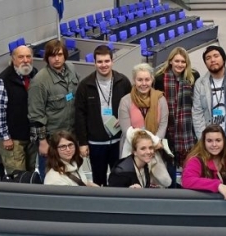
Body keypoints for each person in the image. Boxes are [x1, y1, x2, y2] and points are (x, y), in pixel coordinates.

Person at [75, 45, 131, 186]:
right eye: (100, 62)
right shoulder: (85, 85)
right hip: (96, 143)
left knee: (119, 178)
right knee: (98, 180)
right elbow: (79, 115)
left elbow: (132, 106)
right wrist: (82, 142)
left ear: (112, 61)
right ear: (94, 62)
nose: (103, 65)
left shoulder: (123, 81)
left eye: (107, 61)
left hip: (119, 141)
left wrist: (124, 118)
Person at [28, 39, 80, 180]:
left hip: (71, 137)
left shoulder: (71, 69)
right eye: (52, 55)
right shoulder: (39, 81)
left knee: (72, 176)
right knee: (52, 178)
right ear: (47, 58)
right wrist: (42, 142)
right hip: (52, 141)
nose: (57, 59)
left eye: (60, 55)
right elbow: (36, 116)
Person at [153, 47, 200, 187]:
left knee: (190, 167)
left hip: (188, 131)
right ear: (171, 61)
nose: (180, 64)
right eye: (177, 61)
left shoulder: (193, 77)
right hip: (168, 130)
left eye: (183, 61)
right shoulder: (160, 78)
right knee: (169, 167)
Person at [0, 45, 38, 175]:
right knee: (18, 178)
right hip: (13, 140)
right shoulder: (3, 80)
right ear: (13, 59)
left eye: (28, 56)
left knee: (30, 173)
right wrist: (5, 137)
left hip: (31, 137)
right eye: (21, 57)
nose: (25, 60)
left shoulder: (35, 74)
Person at [182, 125, 226, 201]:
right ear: (203, 142)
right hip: (204, 203)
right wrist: (217, 185)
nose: (214, 145)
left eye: (218, 140)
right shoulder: (196, 159)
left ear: (224, 141)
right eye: (209, 141)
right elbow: (187, 180)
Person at [118, 63, 168, 156]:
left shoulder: (161, 99)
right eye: (140, 80)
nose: (144, 83)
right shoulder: (125, 101)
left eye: (147, 80)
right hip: (131, 149)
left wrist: (153, 145)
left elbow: (163, 125)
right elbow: (127, 131)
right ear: (134, 80)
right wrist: (151, 143)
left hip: (155, 149)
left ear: (152, 80)